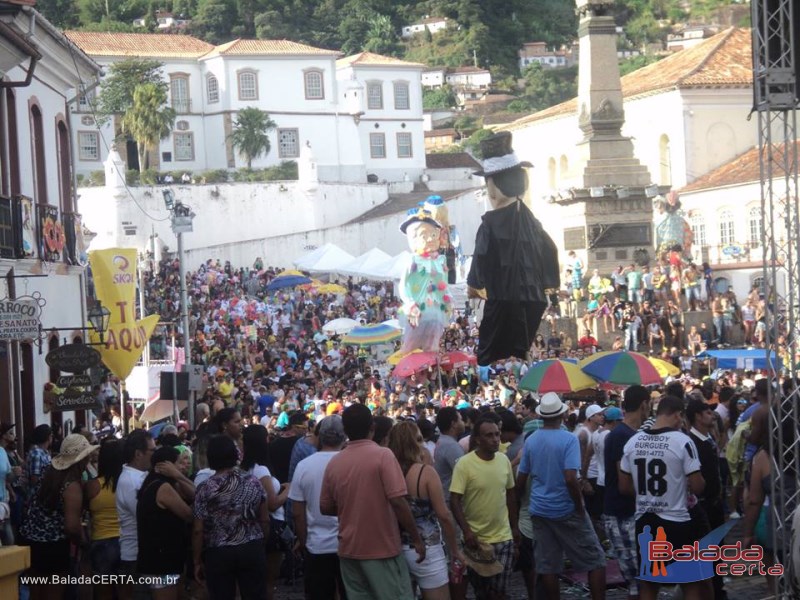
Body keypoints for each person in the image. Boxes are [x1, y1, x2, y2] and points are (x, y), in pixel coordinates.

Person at [467, 131, 560, 365]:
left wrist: (475, 284)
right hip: (532, 296)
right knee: (521, 336)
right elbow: (550, 249)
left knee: (491, 346)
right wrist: (548, 284)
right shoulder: (532, 221)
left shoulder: (489, 224)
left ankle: (501, 357)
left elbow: (481, 255)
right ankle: (522, 352)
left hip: (502, 296)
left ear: (493, 188)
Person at [320, 403, 424, 600]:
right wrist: (416, 538)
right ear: (372, 428)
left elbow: (325, 507)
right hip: (381, 549)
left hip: (349, 550)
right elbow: (398, 502)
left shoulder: (335, 462)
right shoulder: (383, 455)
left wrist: (353, 506)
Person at [516, 393, 606, 600]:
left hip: (540, 509)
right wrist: (579, 505)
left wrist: (520, 502)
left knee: (548, 566)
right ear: (562, 414)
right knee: (596, 560)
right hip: (565, 508)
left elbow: (521, 478)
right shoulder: (568, 439)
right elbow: (570, 478)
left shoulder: (532, 440)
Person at [620, 395, 709, 600]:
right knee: (690, 582)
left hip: (645, 520)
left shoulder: (633, 442)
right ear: (678, 415)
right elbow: (697, 486)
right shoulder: (683, 441)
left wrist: (647, 495)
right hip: (676, 519)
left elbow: (624, 486)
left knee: (650, 583)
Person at [388, 421, 465, 600]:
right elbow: (444, 515)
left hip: (396, 549)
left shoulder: (389, 471)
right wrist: (455, 550)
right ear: (416, 442)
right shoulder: (425, 473)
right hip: (427, 549)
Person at [192, 435, 270, 600]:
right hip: (251, 545)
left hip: (219, 552)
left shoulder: (205, 488)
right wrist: (261, 542)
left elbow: (198, 529)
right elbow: (264, 519)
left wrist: (197, 560)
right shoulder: (253, 482)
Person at [20, 434, 96, 600]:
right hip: (53, 546)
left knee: (36, 592)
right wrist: (83, 542)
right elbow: (71, 526)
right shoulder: (71, 485)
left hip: (32, 542)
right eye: (87, 455)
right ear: (81, 459)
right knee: (53, 593)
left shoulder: (50, 474)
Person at [450, 416, 519, 599]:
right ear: (478, 439)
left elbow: (511, 495)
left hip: (504, 538)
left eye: (497, 434)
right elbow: (454, 500)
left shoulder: (503, 460)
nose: (495, 439)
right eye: (489, 435)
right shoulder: (464, 464)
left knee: (500, 590)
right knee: (482, 592)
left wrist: (514, 527)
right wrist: (467, 531)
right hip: (477, 541)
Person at [289, 416, 348, 600]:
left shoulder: (304, 466)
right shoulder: (350, 464)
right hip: (349, 544)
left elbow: (297, 512)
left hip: (317, 545)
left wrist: (303, 540)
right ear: (344, 437)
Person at [603, 386, 651, 599]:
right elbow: (624, 484)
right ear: (644, 404)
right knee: (638, 579)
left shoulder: (628, 434)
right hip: (623, 513)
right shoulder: (622, 436)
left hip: (631, 512)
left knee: (643, 578)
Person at [137, 446, 193, 600]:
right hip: (161, 562)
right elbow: (190, 515)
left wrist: (178, 477)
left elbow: (195, 495)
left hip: (160, 558)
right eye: (178, 463)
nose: (182, 467)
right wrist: (179, 476)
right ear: (166, 467)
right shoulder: (162, 487)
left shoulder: (157, 484)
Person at [240, 425, 290, 600]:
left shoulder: (244, 469)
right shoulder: (261, 470)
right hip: (271, 527)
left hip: (251, 527)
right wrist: (288, 490)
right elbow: (273, 504)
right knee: (268, 583)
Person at [685, 399, 726, 600]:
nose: (712, 416)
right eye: (708, 413)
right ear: (698, 417)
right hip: (704, 505)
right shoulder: (692, 442)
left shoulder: (708, 438)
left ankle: (718, 589)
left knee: (717, 552)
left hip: (716, 504)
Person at [117, 429, 155, 600]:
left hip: (143, 552)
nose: (154, 454)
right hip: (135, 554)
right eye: (152, 451)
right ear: (138, 454)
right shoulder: (130, 481)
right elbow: (145, 517)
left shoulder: (140, 476)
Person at [85, 439, 124, 600]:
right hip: (125, 541)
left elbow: (85, 511)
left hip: (100, 540)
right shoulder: (127, 483)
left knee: (103, 593)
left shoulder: (93, 485)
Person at [26, 424, 52, 488]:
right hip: (38, 493)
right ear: (48, 437)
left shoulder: (45, 452)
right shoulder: (37, 454)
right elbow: (34, 480)